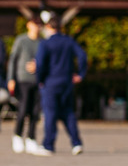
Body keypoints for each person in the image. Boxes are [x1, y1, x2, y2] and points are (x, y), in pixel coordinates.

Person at [33, 15, 87, 156]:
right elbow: (82, 56)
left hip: (50, 82)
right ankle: (76, 143)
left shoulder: (45, 43)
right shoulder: (69, 41)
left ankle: (48, 145)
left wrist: (40, 79)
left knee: (50, 113)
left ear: (48, 27)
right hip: (67, 82)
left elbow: (40, 64)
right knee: (68, 113)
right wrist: (80, 74)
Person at [7, 17, 43, 154]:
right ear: (29, 25)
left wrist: (38, 66)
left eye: (39, 25)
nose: (37, 27)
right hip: (23, 79)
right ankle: (17, 136)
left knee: (35, 111)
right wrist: (11, 78)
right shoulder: (21, 40)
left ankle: (31, 138)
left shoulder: (42, 42)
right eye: (35, 24)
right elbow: (13, 60)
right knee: (23, 109)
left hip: (38, 80)